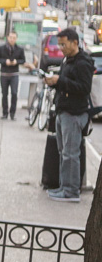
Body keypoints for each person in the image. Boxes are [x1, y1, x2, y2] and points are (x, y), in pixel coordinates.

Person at [45, 28, 94, 202]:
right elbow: (66, 84)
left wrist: (60, 80)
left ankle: (71, 191)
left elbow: (84, 88)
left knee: (70, 154)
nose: (61, 48)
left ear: (75, 42)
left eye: (63, 44)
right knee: (64, 152)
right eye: (59, 45)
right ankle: (64, 186)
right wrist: (54, 82)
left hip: (74, 113)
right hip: (63, 110)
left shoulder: (83, 62)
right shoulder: (68, 60)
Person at [0, 31, 26, 120]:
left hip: (14, 74)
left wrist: (16, 62)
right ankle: (5, 113)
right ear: (8, 38)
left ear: (16, 39)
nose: (12, 39)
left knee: (14, 93)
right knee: (4, 94)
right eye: (11, 37)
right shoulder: (1, 48)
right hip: (4, 74)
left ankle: (12, 113)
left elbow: (23, 60)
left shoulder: (20, 49)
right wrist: (5, 61)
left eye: (14, 38)